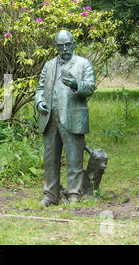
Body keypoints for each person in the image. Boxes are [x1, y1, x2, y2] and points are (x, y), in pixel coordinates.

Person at [35, 30, 96, 206]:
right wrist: (39, 102)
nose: (65, 49)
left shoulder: (83, 64)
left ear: (73, 44)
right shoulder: (49, 65)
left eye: (68, 45)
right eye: (61, 46)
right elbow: (40, 89)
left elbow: (90, 87)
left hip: (72, 116)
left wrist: (76, 84)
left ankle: (74, 194)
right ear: (56, 47)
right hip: (50, 118)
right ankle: (50, 194)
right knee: (50, 159)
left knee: (74, 157)